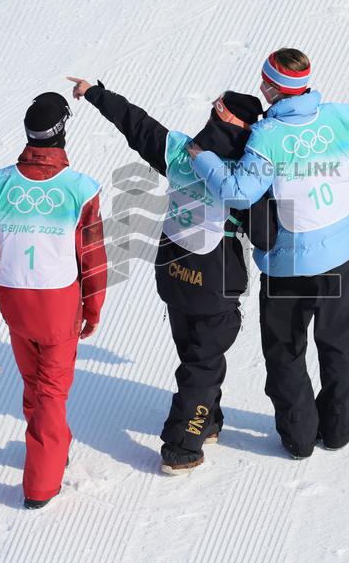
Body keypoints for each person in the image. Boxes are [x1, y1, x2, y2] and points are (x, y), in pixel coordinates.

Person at [66, 76, 276, 474]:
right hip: (213, 281)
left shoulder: (179, 149)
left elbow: (136, 123)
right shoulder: (241, 178)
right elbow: (266, 235)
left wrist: (95, 93)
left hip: (172, 272)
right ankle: (181, 447)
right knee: (205, 364)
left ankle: (207, 420)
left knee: (195, 352)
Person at [187, 48, 349, 458]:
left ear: (272, 89)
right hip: (340, 256)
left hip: (289, 266)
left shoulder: (267, 137)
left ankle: (299, 437)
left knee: (285, 350)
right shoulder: (342, 119)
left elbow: (238, 193)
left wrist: (202, 159)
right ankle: (340, 429)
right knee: (337, 342)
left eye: (264, 82)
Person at [0, 92, 107, 508]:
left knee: (34, 382)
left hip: (16, 305)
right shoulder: (81, 189)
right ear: (62, 133)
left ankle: (51, 446)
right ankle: (40, 484)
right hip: (59, 306)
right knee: (52, 393)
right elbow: (92, 257)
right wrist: (93, 308)